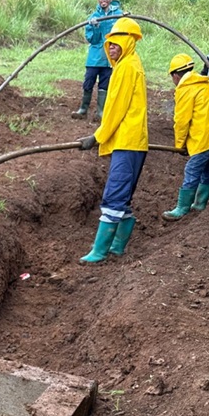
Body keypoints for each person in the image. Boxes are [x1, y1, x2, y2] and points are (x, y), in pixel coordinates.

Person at [76, 17, 148, 263]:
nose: (112, 47)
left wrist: (96, 137)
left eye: (117, 42)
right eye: (110, 43)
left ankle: (100, 250)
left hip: (128, 142)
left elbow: (115, 109)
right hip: (131, 141)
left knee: (114, 196)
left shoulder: (127, 68)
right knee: (123, 198)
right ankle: (117, 247)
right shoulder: (129, 64)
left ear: (128, 42)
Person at [162, 54, 209, 220]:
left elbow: (181, 121)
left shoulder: (186, 89)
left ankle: (182, 208)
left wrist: (180, 144)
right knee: (208, 169)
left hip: (205, 136)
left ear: (175, 75)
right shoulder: (205, 82)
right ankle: (200, 203)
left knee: (192, 169)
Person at [72, 0, 124, 120]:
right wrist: (94, 27)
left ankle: (100, 112)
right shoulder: (94, 16)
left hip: (109, 58)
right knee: (88, 81)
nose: (104, 0)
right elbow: (92, 40)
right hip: (94, 57)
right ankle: (83, 110)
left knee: (104, 84)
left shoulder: (119, 16)